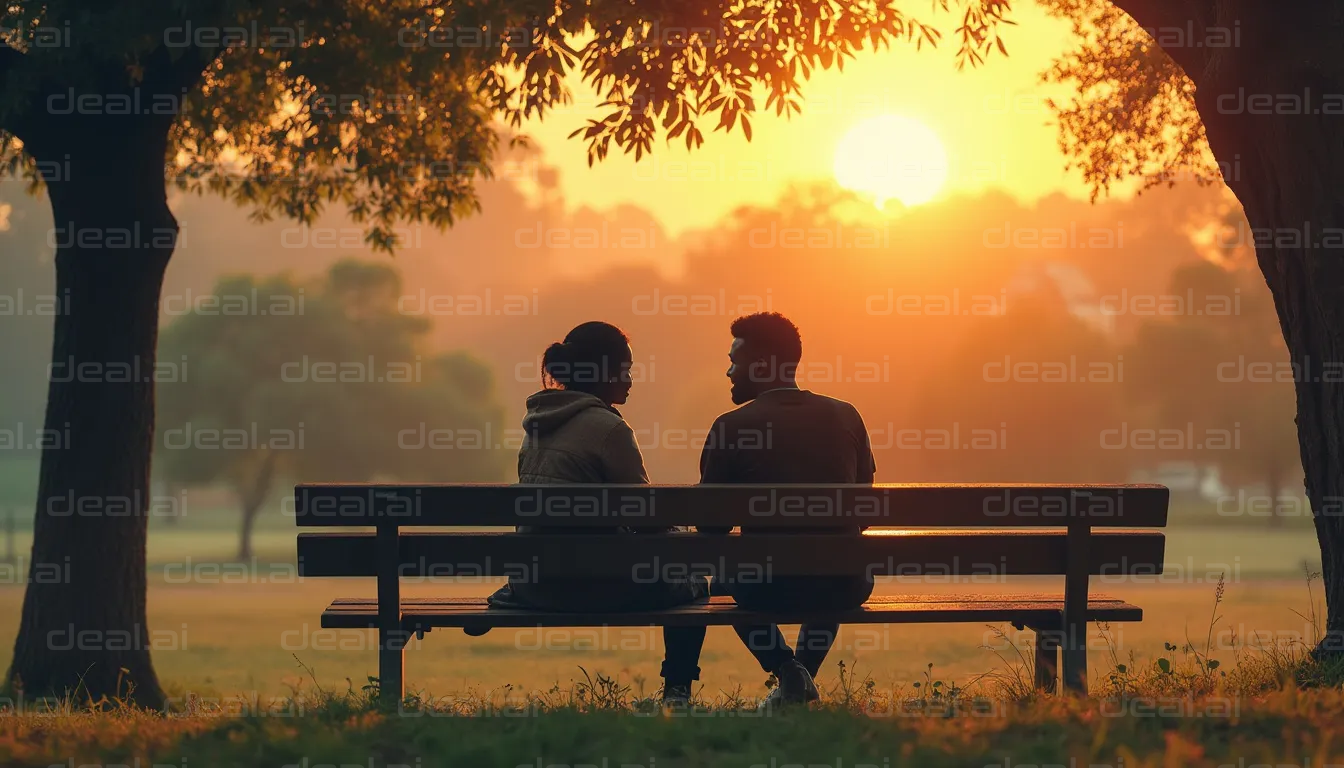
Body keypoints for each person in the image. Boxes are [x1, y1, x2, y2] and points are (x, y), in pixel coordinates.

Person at [486, 321, 708, 703]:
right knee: (694, 578)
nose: (631, 380)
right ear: (603, 373)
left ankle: (510, 590)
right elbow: (646, 518)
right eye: (625, 370)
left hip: (536, 586)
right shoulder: (610, 429)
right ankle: (676, 691)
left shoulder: (536, 426)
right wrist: (679, 532)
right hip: (595, 587)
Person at [698, 312, 876, 706]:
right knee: (834, 560)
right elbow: (864, 508)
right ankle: (799, 679)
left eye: (734, 361)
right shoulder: (847, 415)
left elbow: (711, 528)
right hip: (844, 584)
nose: (728, 371)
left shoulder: (730, 426)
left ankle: (786, 669)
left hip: (765, 587)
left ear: (761, 365)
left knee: (723, 581)